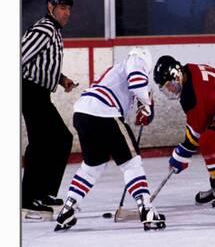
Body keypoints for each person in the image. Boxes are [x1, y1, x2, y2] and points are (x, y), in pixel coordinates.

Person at [53, 47, 166, 232]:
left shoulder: (118, 72)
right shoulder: (136, 60)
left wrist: (142, 107)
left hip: (82, 113)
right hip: (104, 113)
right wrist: (146, 102)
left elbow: (132, 100)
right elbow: (138, 84)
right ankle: (146, 210)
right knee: (131, 163)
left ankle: (67, 209)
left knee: (92, 167)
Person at [153, 56, 215, 215]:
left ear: (177, 75)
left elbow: (195, 135)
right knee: (208, 138)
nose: (171, 91)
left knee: (208, 140)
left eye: (170, 85)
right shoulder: (189, 69)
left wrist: (181, 154)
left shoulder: (190, 96)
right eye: (166, 89)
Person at [21, 0, 78, 222]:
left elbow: (43, 62)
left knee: (61, 139)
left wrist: (61, 79)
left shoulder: (54, 31)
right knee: (41, 142)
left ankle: (43, 192)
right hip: (28, 90)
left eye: (68, 9)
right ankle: (27, 198)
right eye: (62, 8)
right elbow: (21, 56)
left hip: (40, 92)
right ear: (50, 8)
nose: (66, 13)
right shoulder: (44, 29)